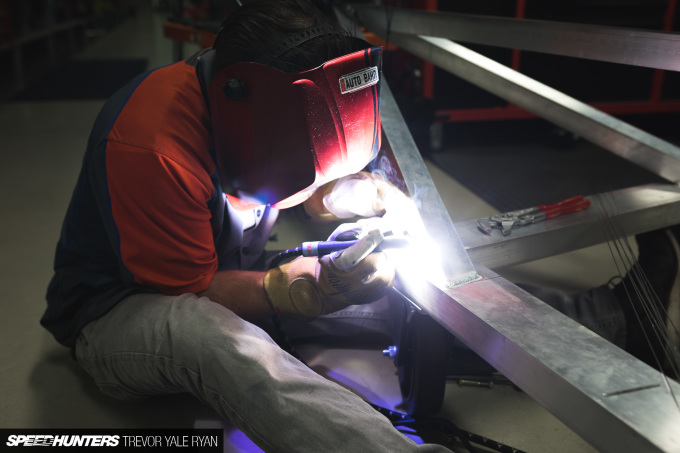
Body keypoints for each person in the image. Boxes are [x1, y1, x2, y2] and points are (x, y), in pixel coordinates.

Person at [40, 1, 454, 451]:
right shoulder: (152, 146)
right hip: (121, 310)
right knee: (217, 339)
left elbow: (303, 186)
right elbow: (194, 292)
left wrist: (356, 194)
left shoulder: (266, 109)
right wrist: (302, 288)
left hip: (226, 272)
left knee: (390, 282)